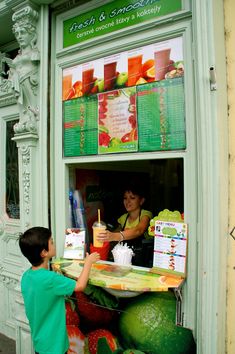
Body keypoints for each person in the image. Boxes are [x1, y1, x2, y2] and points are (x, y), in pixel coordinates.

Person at [19, 226, 100, 354]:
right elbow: (80, 286)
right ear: (44, 252)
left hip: (40, 342)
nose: (54, 243)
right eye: (51, 242)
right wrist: (88, 262)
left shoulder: (26, 276)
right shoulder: (51, 279)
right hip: (55, 345)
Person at [97, 184, 153, 266]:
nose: (128, 201)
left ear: (141, 201)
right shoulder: (123, 218)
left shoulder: (146, 215)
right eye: (125, 198)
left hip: (143, 263)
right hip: (125, 263)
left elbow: (139, 230)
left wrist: (117, 236)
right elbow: (113, 237)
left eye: (132, 198)